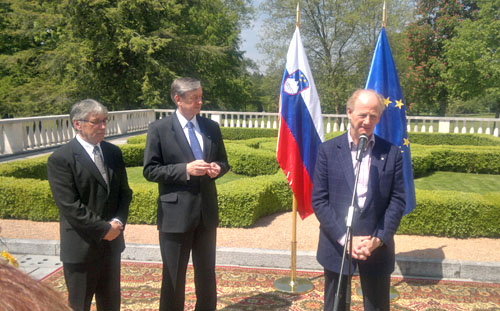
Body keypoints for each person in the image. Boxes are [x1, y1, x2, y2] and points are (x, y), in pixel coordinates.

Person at [311, 89, 406, 311]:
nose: (367, 121)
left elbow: (398, 200)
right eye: (362, 114)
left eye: (373, 116)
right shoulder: (328, 151)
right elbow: (320, 200)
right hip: (337, 244)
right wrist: (346, 239)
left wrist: (378, 239)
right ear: (349, 112)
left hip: (375, 246)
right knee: (335, 305)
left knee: (377, 306)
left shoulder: (391, 152)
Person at [143, 77, 229, 311]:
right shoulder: (159, 129)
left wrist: (217, 169)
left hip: (206, 213)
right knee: (173, 277)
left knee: (206, 274)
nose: (200, 102)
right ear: (178, 99)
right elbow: (150, 170)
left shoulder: (211, 128)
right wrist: (185, 170)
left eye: (201, 97)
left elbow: (223, 161)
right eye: (194, 98)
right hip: (175, 214)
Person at [47, 99, 132, 311]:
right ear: (78, 124)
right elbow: (70, 206)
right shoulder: (61, 159)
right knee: (79, 305)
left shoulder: (113, 153)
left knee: (111, 304)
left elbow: (124, 193)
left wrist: (118, 222)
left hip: (111, 245)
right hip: (81, 247)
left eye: (105, 121)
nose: (103, 126)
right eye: (96, 122)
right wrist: (104, 229)